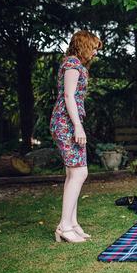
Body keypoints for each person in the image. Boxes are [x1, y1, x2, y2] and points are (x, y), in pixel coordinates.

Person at [50, 30, 102, 243]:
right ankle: (64, 226)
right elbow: (69, 96)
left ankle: (72, 222)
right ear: (85, 45)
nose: (96, 53)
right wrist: (78, 127)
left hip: (68, 123)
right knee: (79, 172)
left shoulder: (75, 65)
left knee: (74, 174)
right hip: (66, 123)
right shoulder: (72, 64)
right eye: (95, 48)